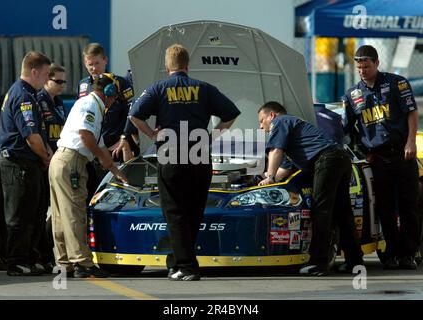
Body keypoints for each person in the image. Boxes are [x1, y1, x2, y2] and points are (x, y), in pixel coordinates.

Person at [127, 44, 240, 281]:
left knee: (174, 211)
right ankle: (176, 262)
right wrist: (213, 136)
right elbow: (231, 113)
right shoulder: (205, 88)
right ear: (187, 65)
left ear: (167, 66)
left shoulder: (158, 88)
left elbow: (135, 115)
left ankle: (187, 266)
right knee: (194, 211)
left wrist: (151, 134)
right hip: (199, 154)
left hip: (171, 155)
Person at [258, 101, 363, 276]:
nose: (261, 127)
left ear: (272, 115)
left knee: (320, 211)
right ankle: (354, 261)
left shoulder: (281, 121)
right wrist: (263, 179)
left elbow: (275, 151)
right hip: (340, 159)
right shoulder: (294, 133)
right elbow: (283, 170)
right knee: (342, 213)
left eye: (262, 121)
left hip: (328, 160)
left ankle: (319, 263)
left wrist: (269, 176)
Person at [342, 45, 420, 270]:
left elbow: (411, 112)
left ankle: (410, 252)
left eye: (366, 66)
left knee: (408, 206)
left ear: (377, 63)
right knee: (385, 208)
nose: (362, 71)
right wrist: (362, 151)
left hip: (403, 153)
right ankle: (392, 253)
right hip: (378, 159)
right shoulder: (352, 94)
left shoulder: (398, 83)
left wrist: (411, 141)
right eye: (358, 67)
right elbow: (347, 128)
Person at [49, 73, 128, 278]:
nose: (113, 102)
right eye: (114, 97)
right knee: (75, 213)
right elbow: (86, 136)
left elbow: (99, 144)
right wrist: (104, 160)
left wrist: (116, 172)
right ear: (109, 93)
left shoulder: (87, 104)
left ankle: (65, 261)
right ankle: (83, 263)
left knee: (61, 215)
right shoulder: (92, 104)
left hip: (61, 160)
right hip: (73, 162)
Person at [0, 51, 52, 276]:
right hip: (18, 163)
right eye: (46, 75)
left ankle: (29, 257)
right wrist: (46, 156)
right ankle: (16, 261)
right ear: (34, 72)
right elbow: (32, 137)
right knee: (19, 215)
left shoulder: (29, 94)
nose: (47, 80)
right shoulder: (23, 96)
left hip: (28, 164)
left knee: (34, 212)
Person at [78, 43, 138, 200]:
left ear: (105, 60)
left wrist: (123, 139)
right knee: (92, 194)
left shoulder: (119, 83)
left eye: (97, 63)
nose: (93, 68)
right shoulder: (83, 85)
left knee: (117, 194)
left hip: (115, 148)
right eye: (89, 64)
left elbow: (132, 113)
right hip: (92, 148)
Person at [35, 63, 68, 272]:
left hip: (57, 160)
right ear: (47, 79)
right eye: (58, 81)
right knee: (41, 212)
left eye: (65, 81)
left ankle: (46, 254)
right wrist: (46, 155)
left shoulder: (59, 102)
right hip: (43, 161)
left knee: (53, 212)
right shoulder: (39, 100)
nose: (63, 85)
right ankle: (39, 254)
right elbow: (38, 132)